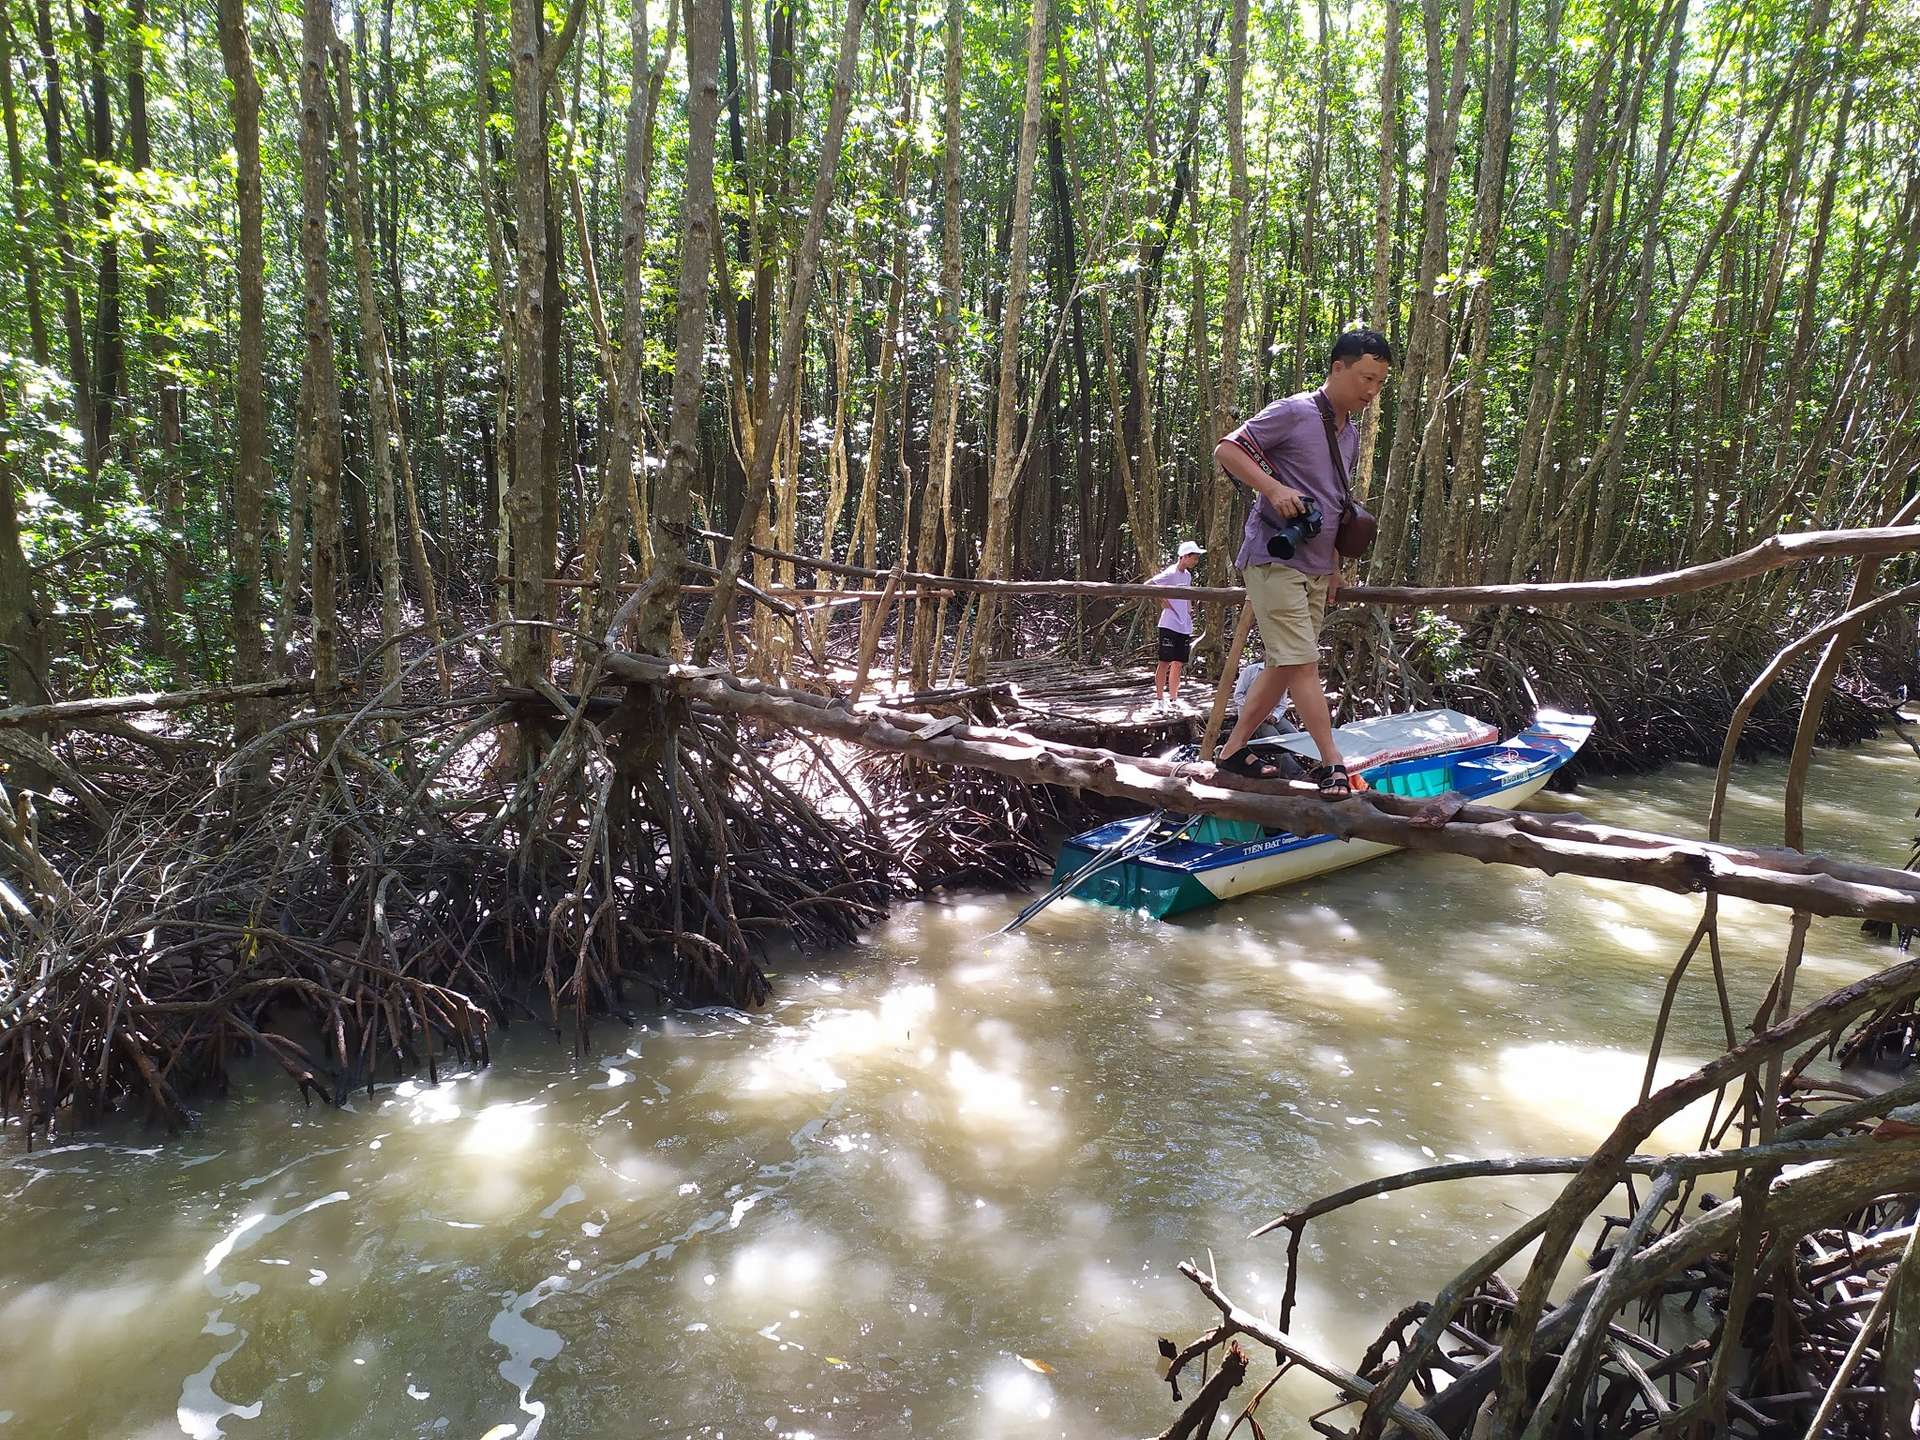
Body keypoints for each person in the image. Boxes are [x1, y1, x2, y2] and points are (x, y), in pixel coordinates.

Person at [1211, 329, 1392, 795]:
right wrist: (1272, 488)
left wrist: (1333, 564)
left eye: (1380, 383)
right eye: (1366, 378)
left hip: (1315, 566)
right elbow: (1227, 449)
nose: (1371, 391)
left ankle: (1231, 754)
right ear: (1338, 368)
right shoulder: (1293, 411)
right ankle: (1335, 764)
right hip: (1275, 558)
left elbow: (1334, 502)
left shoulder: (1348, 434)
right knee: (1303, 662)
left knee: (1284, 664)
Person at [1148, 540, 1205, 711]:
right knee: (1164, 661)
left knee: (1178, 663)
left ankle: (1173, 698)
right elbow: (1149, 585)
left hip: (1184, 624)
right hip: (1169, 623)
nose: (1196, 562)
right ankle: (1159, 699)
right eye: (1194, 558)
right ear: (1185, 557)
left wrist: (1189, 612)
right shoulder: (1170, 573)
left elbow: (1186, 597)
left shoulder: (1187, 575)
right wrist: (1163, 601)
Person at [1231, 658, 1298, 739]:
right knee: (1275, 739)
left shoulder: (1282, 675)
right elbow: (1238, 696)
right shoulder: (1250, 671)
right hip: (1251, 716)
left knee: (1295, 736)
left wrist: (1275, 716)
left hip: (1271, 715)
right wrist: (1258, 710)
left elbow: (1282, 704)